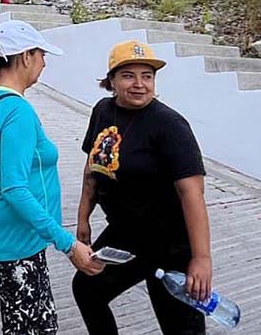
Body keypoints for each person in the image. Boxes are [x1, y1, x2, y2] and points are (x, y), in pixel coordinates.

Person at [72, 41, 212, 335]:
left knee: (180, 328)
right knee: (87, 288)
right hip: (126, 236)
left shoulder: (170, 125)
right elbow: (93, 168)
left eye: (147, 76)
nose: (139, 84)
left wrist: (201, 258)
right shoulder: (102, 111)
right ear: (111, 80)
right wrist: (83, 217)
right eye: (128, 76)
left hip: (171, 244)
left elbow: (192, 194)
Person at [0, 20, 104, 335]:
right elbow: (15, 188)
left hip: (9, 233)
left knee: (24, 325)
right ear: (26, 56)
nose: (44, 63)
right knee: (35, 328)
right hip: (19, 239)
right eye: (42, 55)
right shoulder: (17, 112)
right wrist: (68, 244)